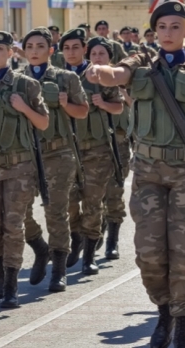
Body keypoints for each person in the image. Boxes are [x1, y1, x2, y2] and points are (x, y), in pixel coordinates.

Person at [88, 1, 185, 347]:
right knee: (150, 254)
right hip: (148, 173)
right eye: (162, 27)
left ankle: (181, 326)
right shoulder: (141, 62)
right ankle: (164, 312)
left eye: (176, 27)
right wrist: (101, 72)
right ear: (154, 31)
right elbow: (119, 75)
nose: (168, 33)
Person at [0, 30, 49, 308]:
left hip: (19, 166)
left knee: (13, 225)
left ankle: (10, 282)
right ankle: (1, 263)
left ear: (11, 53)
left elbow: (43, 123)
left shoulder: (26, 85)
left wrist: (23, 108)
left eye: (0, 49)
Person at [20, 27, 88, 291]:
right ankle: (39, 247)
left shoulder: (66, 78)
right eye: (30, 47)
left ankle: (59, 269)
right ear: (24, 52)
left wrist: (64, 104)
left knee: (56, 211)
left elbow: (82, 112)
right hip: (25, 154)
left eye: (40, 46)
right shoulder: (15, 80)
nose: (34, 51)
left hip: (58, 152)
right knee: (18, 212)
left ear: (50, 51)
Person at [62, 31, 123, 276]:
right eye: (66, 48)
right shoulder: (58, 77)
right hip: (66, 150)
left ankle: (89, 255)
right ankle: (76, 237)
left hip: (96, 149)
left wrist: (103, 104)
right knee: (67, 203)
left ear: (83, 49)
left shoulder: (99, 77)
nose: (71, 52)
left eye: (76, 47)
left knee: (93, 203)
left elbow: (119, 107)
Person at [84, 37, 131, 260]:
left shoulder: (117, 79)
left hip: (117, 144)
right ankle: (95, 233)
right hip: (92, 146)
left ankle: (112, 240)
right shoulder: (82, 80)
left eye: (102, 54)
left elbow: (122, 106)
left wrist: (104, 104)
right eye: (94, 54)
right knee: (93, 196)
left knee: (114, 192)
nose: (97, 58)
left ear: (110, 57)